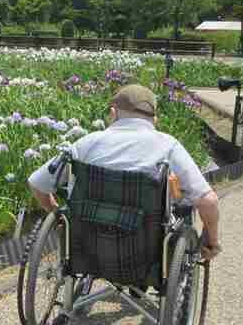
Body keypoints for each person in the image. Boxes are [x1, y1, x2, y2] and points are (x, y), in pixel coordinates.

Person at [27, 84, 221, 261]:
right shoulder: (168, 146)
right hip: (146, 253)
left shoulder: (87, 143)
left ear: (113, 113)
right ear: (155, 120)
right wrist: (211, 241)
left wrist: (58, 218)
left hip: (87, 247)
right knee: (184, 204)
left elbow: (37, 183)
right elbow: (208, 201)